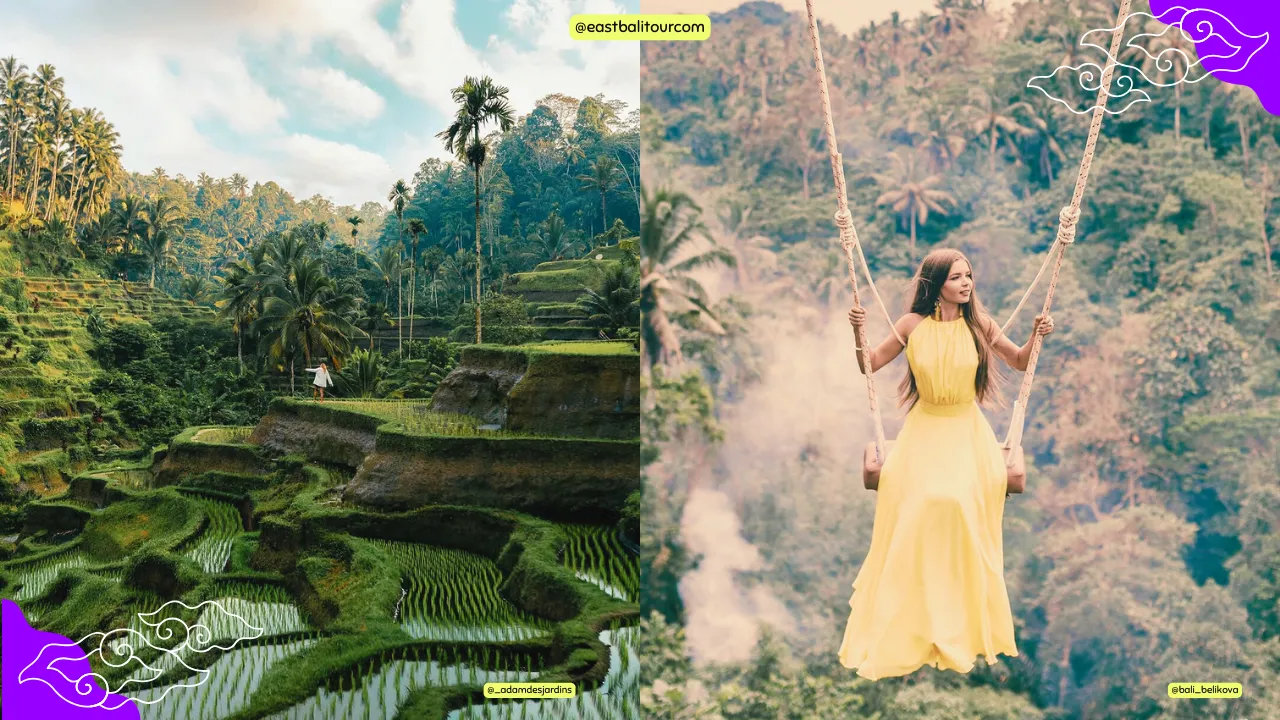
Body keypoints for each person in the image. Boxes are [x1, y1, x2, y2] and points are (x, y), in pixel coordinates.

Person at [838, 247, 1054, 680]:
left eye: (969, 275)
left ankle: (955, 614)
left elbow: (1019, 359)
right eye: (957, 277)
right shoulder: (911, 325)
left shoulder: (979, 325)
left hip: (965, 431)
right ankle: (915, 611)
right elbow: (870, 364)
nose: (966, 283)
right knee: (919, 506)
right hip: (924, 429)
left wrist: (1037, 335)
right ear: (937, 284)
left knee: (954, 502)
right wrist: (858, 333)